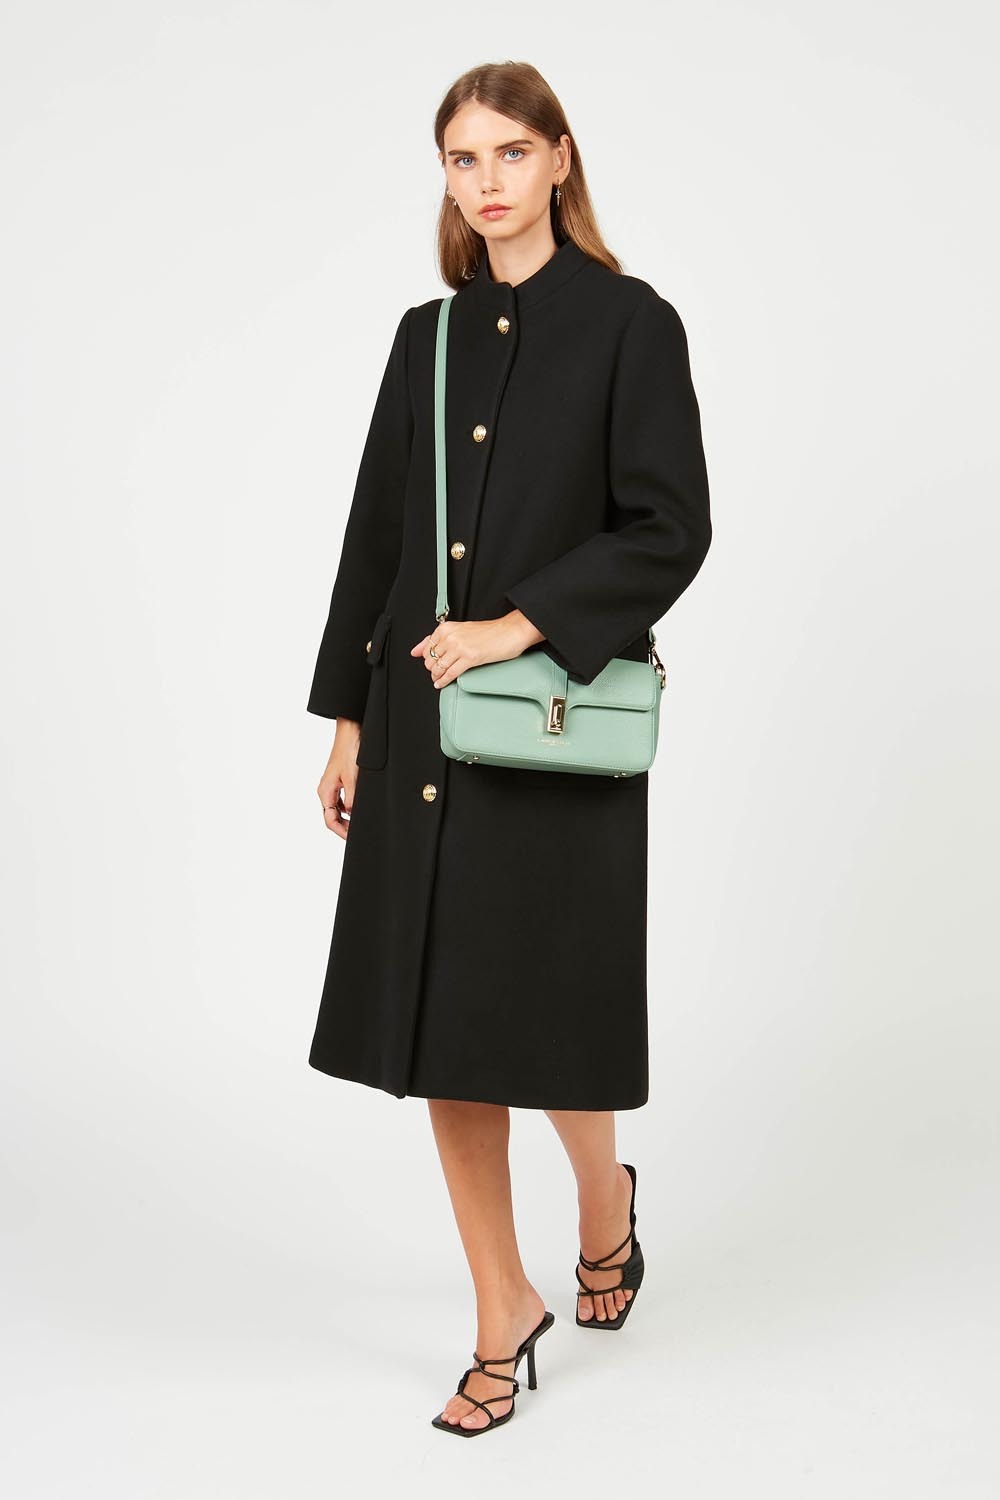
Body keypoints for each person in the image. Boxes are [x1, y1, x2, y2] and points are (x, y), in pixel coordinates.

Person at [305, 60, 712, 1435]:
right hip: (419, 728)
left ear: (559, 159)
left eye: (509, 153)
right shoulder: (424, 339)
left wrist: (518, 624)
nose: (485, 181)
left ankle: (605, 1199)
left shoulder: (631, 325)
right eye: (461, 159)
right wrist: (348, 722)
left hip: (551, 729)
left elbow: (670, 525)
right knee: (445, 1025)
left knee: (548, 1015)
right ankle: (502, 1304)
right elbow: (376, 539)